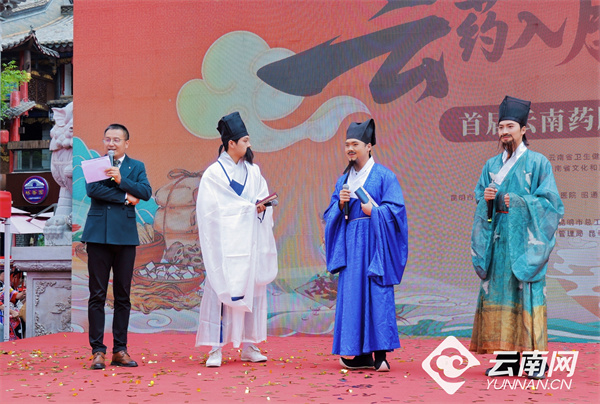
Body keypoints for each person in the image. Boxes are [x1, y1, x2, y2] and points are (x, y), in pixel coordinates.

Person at [470, 96, 564, 380]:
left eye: (510, 126)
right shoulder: (490, 165)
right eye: (500, 127)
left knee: (528, 296)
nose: (504, 132)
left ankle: (535, 362)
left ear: (523, 129)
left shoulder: (538, 162)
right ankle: (507, 360)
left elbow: (551, 205)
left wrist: (521, 203)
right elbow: (481, 199)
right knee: (500, 295)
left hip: (525, 244)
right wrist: (487, 200)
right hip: (498, 242)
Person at [323, 119, 408, 372]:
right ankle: (360, 355)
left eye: (355, 144)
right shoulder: (343, 180)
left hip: (375, 242)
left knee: (377, 293)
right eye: (347, 144)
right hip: (351, 244)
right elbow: (330, 214)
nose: (350, 149)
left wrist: (376, 212)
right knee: (353, 295)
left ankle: (381, 355)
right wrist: (340, 204)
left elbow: (397, 211)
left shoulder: (384, 176)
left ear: (368, 146)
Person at [195, 112, 278, 367]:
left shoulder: (253, 172)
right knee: (222, 291)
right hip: (225, 245)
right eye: (245, 140)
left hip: (249, 243)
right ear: (231, 143)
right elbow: (208, 211)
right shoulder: (214, 174)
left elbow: (261, 199)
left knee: (251, 292)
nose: (249, 144)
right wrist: (246, 209)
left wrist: (261, 208)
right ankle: (216, 348)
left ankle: (250, 345)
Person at [81, 123, 152, 370]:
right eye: (107, 139)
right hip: (98, 236)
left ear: (126, 143)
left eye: (116, 139)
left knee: (123, 295)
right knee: (97, 295)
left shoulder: (136, 166)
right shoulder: (96, 164)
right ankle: (97, 351)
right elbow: (93, 190)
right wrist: (124, 197)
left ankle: (120, 350)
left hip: (125, 237)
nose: (111, 143)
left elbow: (145, 192)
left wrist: (122, 180)